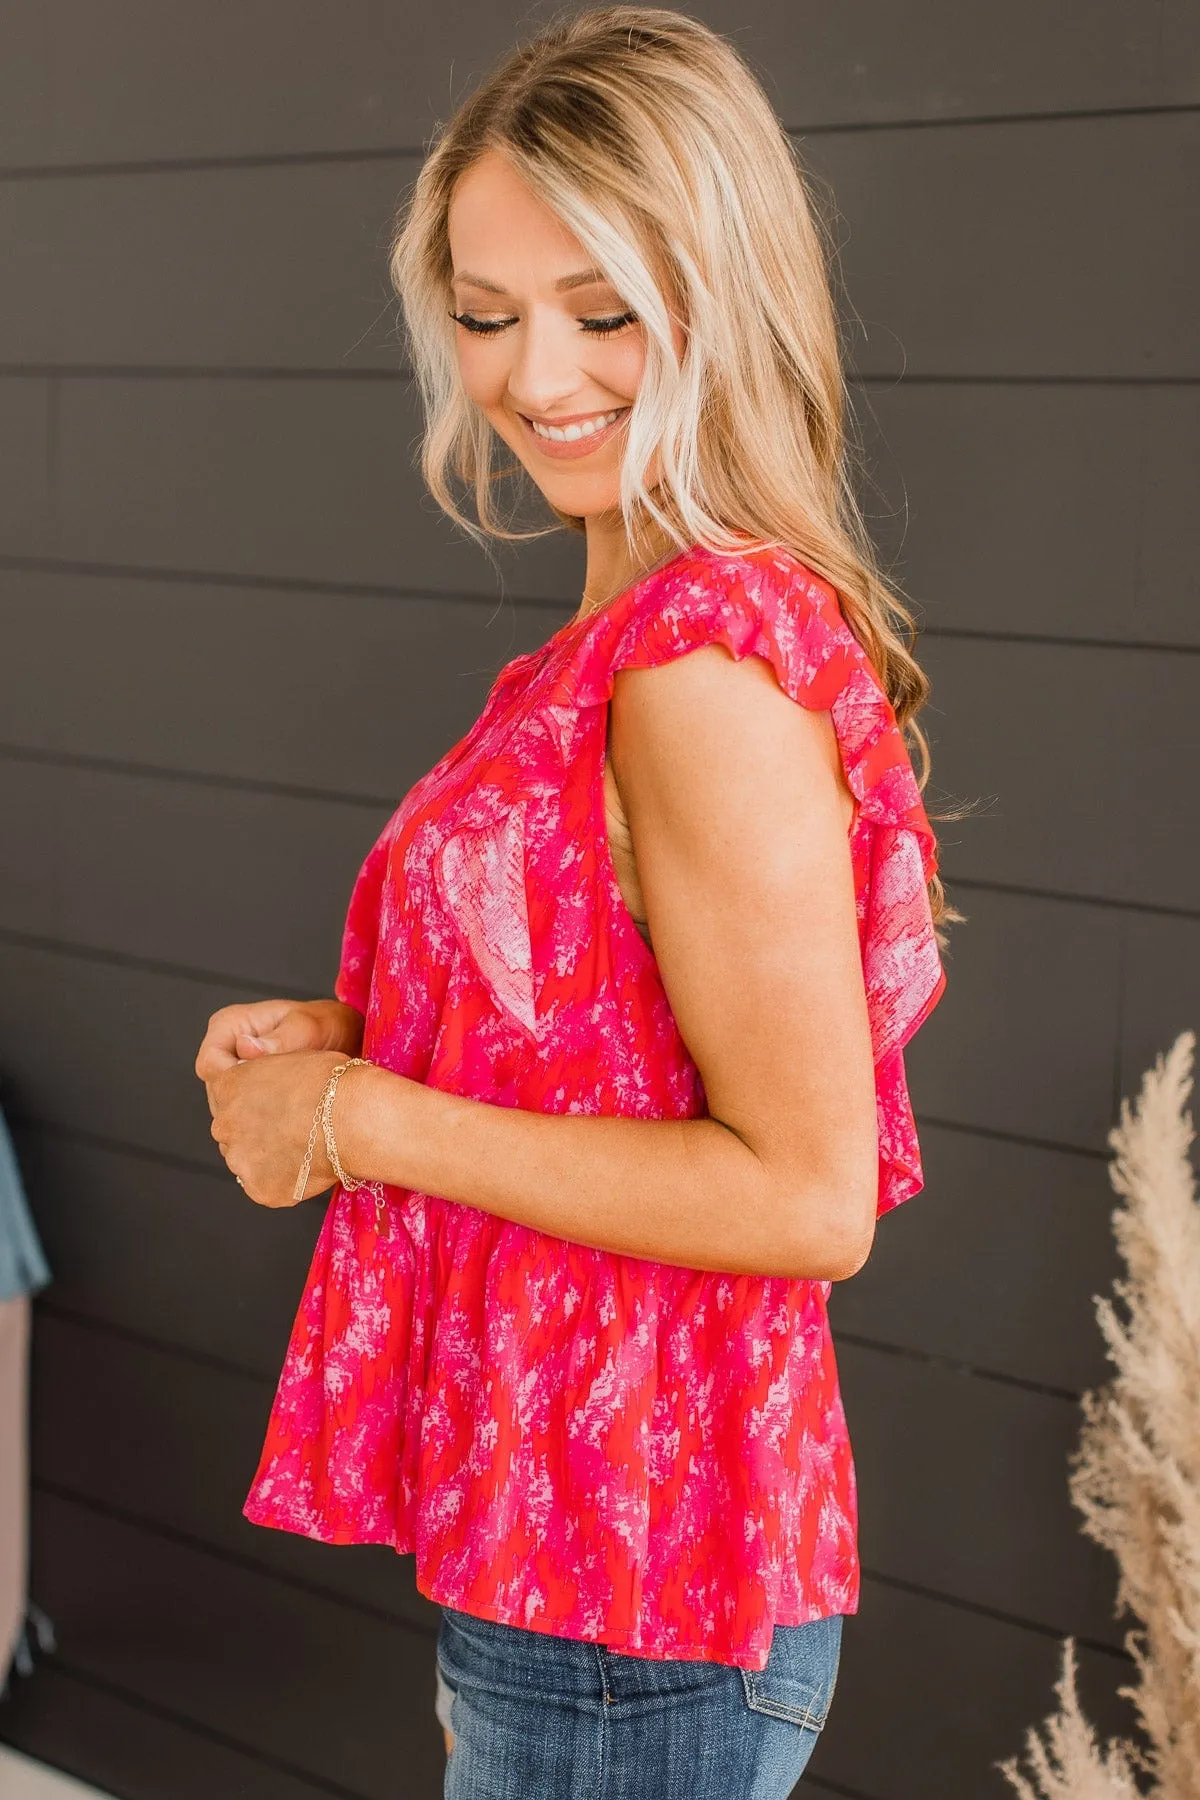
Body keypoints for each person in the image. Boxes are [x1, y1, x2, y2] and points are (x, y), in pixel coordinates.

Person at [196, 8, 963, 1795]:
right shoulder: (625, 633)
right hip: (571, 1564)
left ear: (725, 299)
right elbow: (619, 1036)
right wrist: (364, 1035)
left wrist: (359, 1116)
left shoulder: (700, 664)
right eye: (486, 311)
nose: (537, 374)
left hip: (640, 1597)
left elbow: (805, 1191)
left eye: (604, 310)